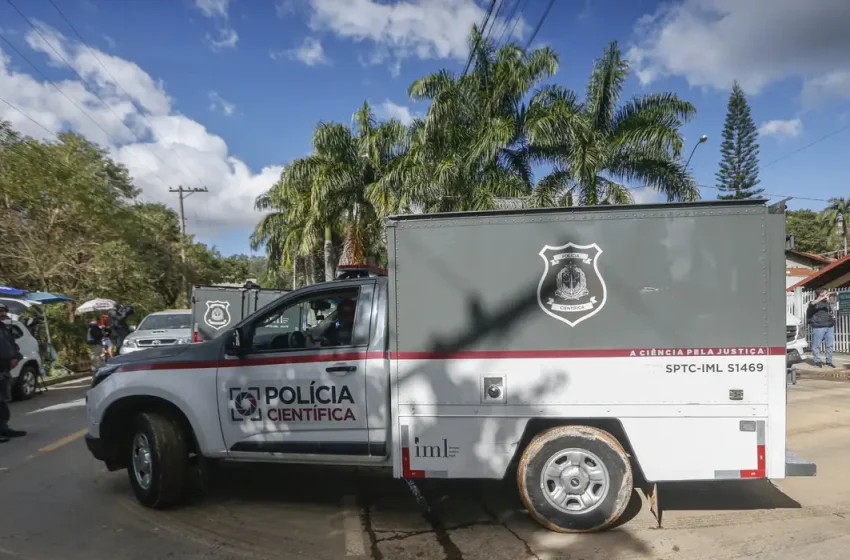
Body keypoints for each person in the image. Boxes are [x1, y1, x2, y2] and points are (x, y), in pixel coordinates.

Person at [0, 303, 26, 443]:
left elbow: (13, 345)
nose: (2, 313)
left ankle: (3, 428)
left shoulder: (4, 328)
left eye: (3, 310)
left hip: (4, 369)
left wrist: (15, 357)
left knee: (3, 400)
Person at [807, 289, 836, 368]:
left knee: (829, 345)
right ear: (820, 294)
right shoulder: (813, 303)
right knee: (816, 345)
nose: (827, 294)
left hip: (829, 326)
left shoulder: (827, 303)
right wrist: (822, 298)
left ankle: (829, 361)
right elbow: (813, 303)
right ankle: (817, 361)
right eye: (825, 293)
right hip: (818, 326)